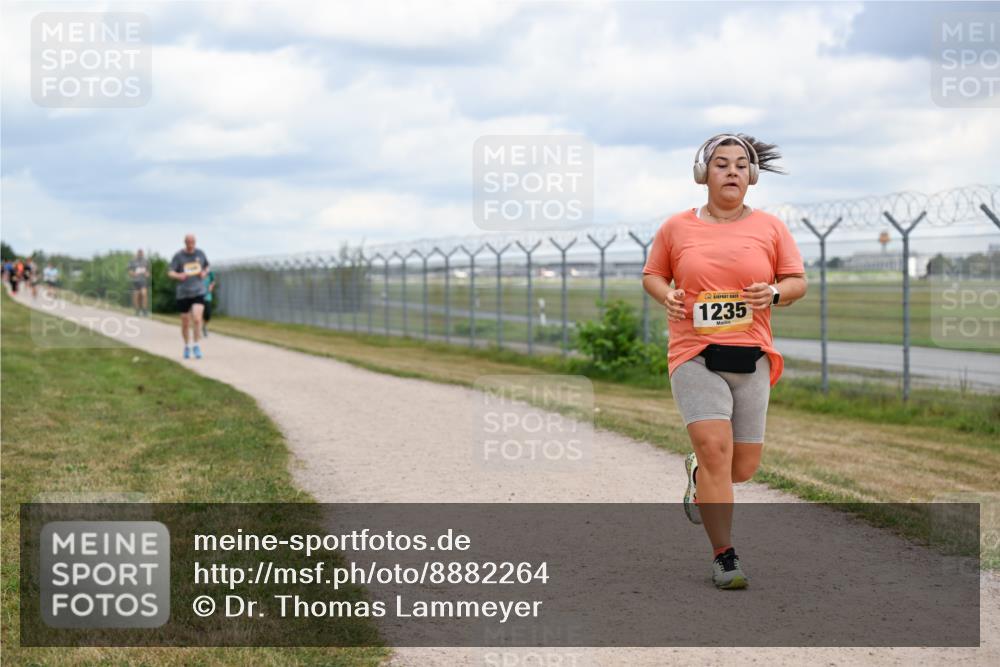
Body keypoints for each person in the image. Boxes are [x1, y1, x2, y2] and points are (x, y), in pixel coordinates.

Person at [641, 133, 807, 589]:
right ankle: (724, 556)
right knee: (716, 451)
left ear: (751, 176)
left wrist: (773, 292)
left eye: (740, 165)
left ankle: (698, 472)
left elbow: (796, 281)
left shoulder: (771, 228)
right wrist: (668, 295)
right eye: (721, 164)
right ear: (704, 174)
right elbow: (653, 274)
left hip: (751, 354)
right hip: (693, 352)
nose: (731, 171)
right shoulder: (676, 228)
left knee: (740, 469)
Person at [167, 235, 210, 359]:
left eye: (193, 242)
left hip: (198, 291)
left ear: (195, 242)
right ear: (185, 242)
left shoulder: (200, 254)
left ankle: (196, 345)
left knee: (197, 319)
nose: (191, 244)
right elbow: (170, 272)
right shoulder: (179, 256)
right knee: (185, 321)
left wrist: (204, 273)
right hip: (183, 292)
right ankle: (187, 346)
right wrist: (178, 275)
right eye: (188, 242)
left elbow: (207, 267)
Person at [128, 249, 151, 317]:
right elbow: (129, 270)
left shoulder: (146, 261)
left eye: (142, 253)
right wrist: (133, 273)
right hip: (135, 281)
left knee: (144, 294)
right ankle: (137, 310)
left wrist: (147, 274)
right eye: (139, 253)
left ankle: (144, 310)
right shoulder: (132, 261)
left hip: (143, 281)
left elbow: (148, 271)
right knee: (136, 296)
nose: (141, 254)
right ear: (137, 253)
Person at [202, 268, 216, 337]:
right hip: (199, 296)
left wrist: (211, 286)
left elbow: (213, 281)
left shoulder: (210, 273)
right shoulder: (198, 271)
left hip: (207, 296)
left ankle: (204, 326)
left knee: (208, 315)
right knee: (198, 313)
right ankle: (198, 329)